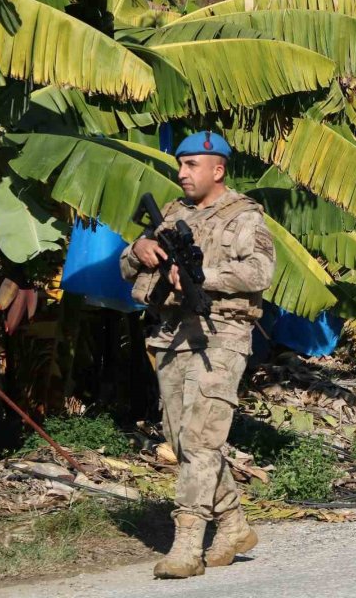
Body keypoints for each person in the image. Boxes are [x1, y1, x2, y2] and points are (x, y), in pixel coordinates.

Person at [120, 131, 276, 578]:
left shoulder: (245, 217)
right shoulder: (171, 214)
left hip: (221, 334)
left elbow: (260, 272)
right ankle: (233, 524)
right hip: (171, 334)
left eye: (191, 165)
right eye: (180, 164)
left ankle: (188, 543)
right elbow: (126, 267)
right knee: (180, 437)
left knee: (201, 438)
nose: (182, 173)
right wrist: (138, 250)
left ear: (218, 169)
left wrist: (202, 275)